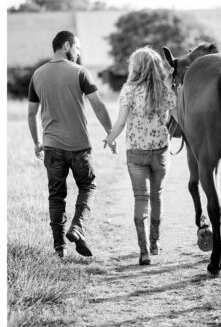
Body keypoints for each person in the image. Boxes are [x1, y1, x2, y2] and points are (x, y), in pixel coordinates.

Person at [28, 30, 114, 257]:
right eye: (77, 48)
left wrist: (37, 142)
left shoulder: (37, 75)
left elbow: (31, 114)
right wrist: (110, 133)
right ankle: (77, 227)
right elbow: (97, 104)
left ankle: (60, 249)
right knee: (88, 186)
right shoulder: (80, 72)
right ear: (66, 45)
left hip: (52, 148)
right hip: (79, 147)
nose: (79, 53)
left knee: (56, 196)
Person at [104, 47, 177, 265]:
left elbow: (120, 123)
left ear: (136, 67)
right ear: (156, 67)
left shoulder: (128, 90)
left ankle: (144, 251)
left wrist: (109, 139)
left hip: (136, 152)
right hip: (160, 151)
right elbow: (179, 119)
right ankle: (155, 242)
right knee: (157, 196)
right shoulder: (165, 91)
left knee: (140, 198)